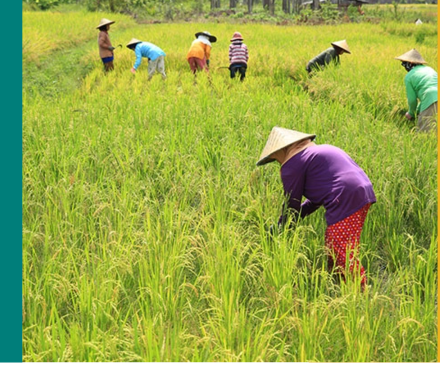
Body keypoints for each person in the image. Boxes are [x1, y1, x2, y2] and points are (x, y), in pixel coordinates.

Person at [257, 127, 376, 288]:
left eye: (276, 159)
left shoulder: (292, 164)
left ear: (282, 150)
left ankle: (360, 292)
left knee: (338, 245)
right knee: (336, 243)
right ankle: (339, 286)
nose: (278, 162)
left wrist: (281, 229)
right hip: (362, 191)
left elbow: (291, 203)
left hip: (345, 194)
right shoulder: (316, 153)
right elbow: (317, 198)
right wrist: (297, 216)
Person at [394, 49, 438, 132]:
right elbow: (425, 98)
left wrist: (411, 113)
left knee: (424, 133)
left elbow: (412, 100)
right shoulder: (429, 69)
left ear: (410, 63)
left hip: (431, 97)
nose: (404, 66)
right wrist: (417, 111)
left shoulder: (409, 76)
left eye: (404, 63)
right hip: (431, 98)